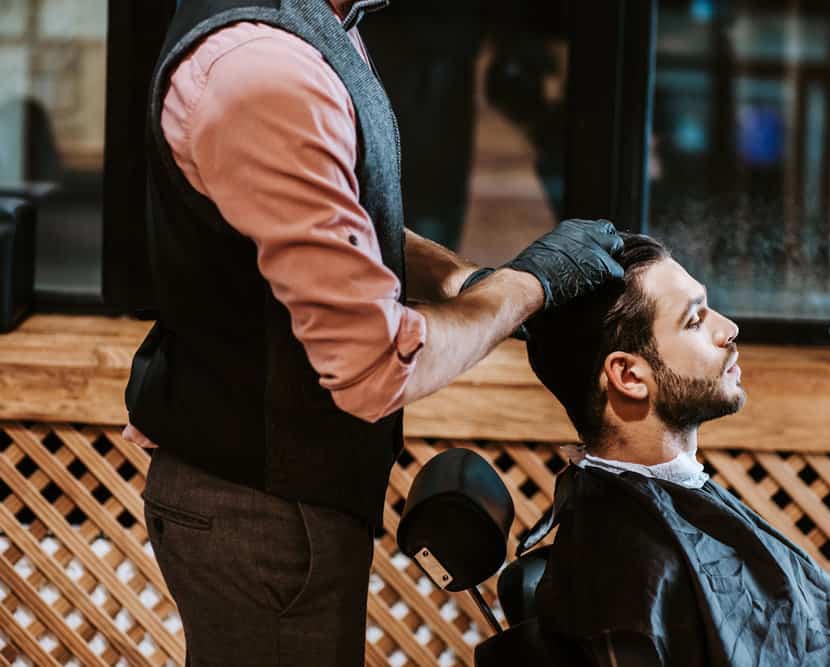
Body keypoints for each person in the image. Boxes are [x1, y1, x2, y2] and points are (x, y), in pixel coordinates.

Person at [123, 0, 623, 664]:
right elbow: (373, 366)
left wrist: (463, 283)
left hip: (293, 491)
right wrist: (532, 284)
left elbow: (338, 221)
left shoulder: (329, 20)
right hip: (260, 509)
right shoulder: (264, 71)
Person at [521, 233, 830, 667]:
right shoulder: (633, 570)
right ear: (629, 376)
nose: (729, 329)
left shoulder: (645, 508)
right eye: (695, 320)